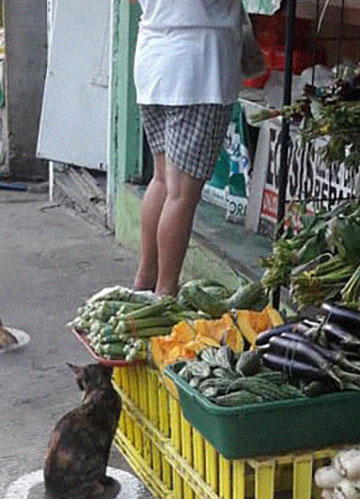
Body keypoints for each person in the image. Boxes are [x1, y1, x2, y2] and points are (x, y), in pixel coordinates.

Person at [132, 0, 242, 297]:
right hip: (198, 68)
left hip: (152, 61)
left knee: (162, 179)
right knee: (181, 193)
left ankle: (146, 278)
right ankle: (165, 293)